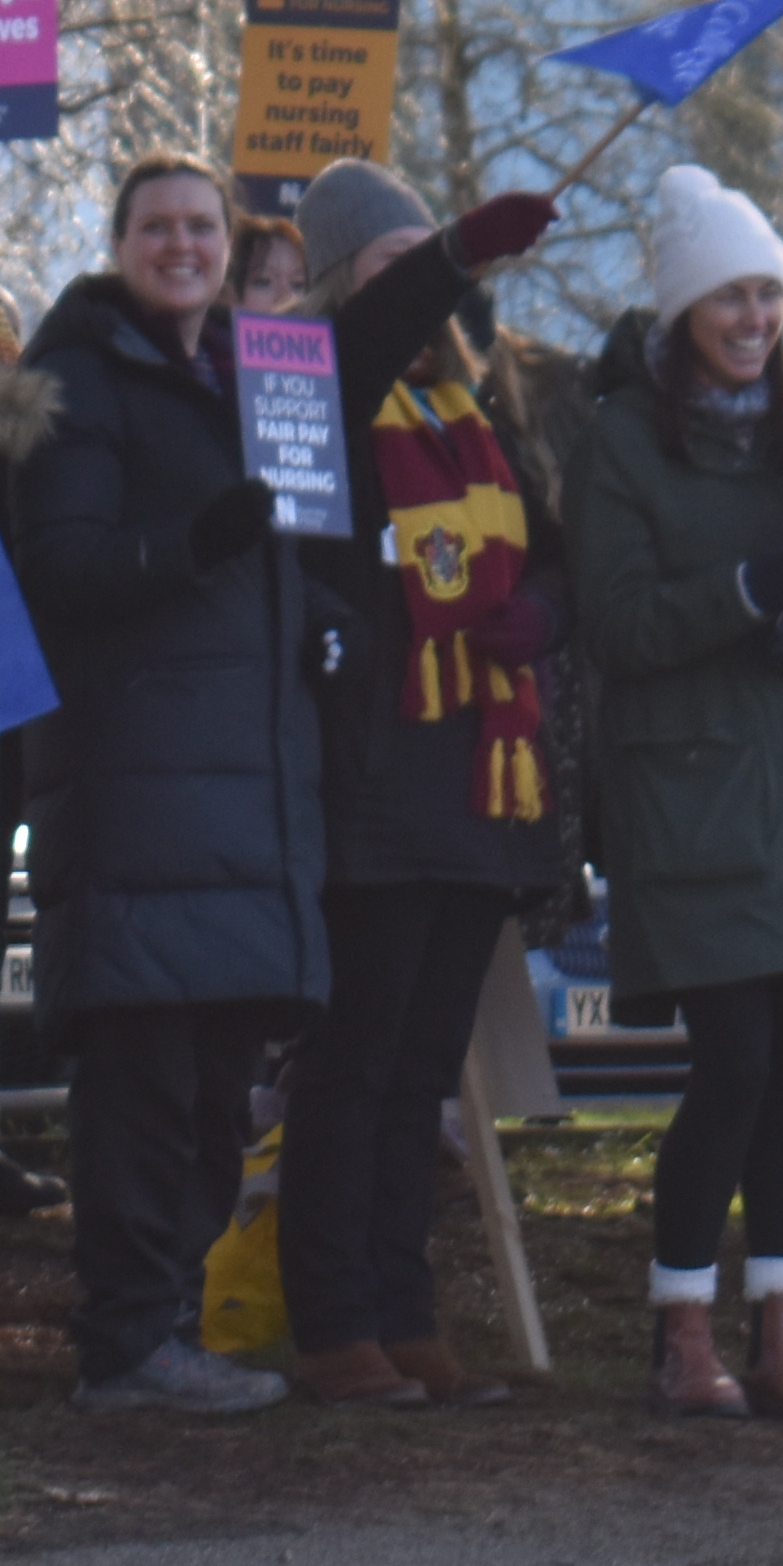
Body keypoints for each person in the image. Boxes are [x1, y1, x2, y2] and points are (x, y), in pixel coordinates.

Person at [565, 168, 783, 1421]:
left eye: (769, 292)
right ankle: (681, 1327)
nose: (757, 318)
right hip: (696, 804)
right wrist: (748, 595)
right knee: (736, 1067)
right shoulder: (619, 440)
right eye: (731, 297)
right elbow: (615, 622)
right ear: (681, 310)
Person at [0, 155, 337, 1419]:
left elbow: (285, 553)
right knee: (143, 1088)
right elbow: (59, 569)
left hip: (241, 797)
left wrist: (325, 621)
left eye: (201, 225)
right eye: (157, 227)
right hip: (134, 790)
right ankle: (125, 1339)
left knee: (211, 1090)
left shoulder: (256, 373)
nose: (181, 245)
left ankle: (167, 1331)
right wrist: (196, 542)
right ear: (119, 241)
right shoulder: (70, 379)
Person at [262, 157, 569, 1410]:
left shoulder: (468, 405)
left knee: (424, 1072)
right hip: (376, 778)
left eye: (423, 259)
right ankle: (335, 1320)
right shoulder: (316, 388)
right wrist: (452, 254)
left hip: (478, 782)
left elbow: (553, 552)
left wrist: (539, 614)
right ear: (343, 284)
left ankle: (407, 1311)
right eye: (391, 265)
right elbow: (359, 353)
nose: (422, 289)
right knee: (354, 1063)